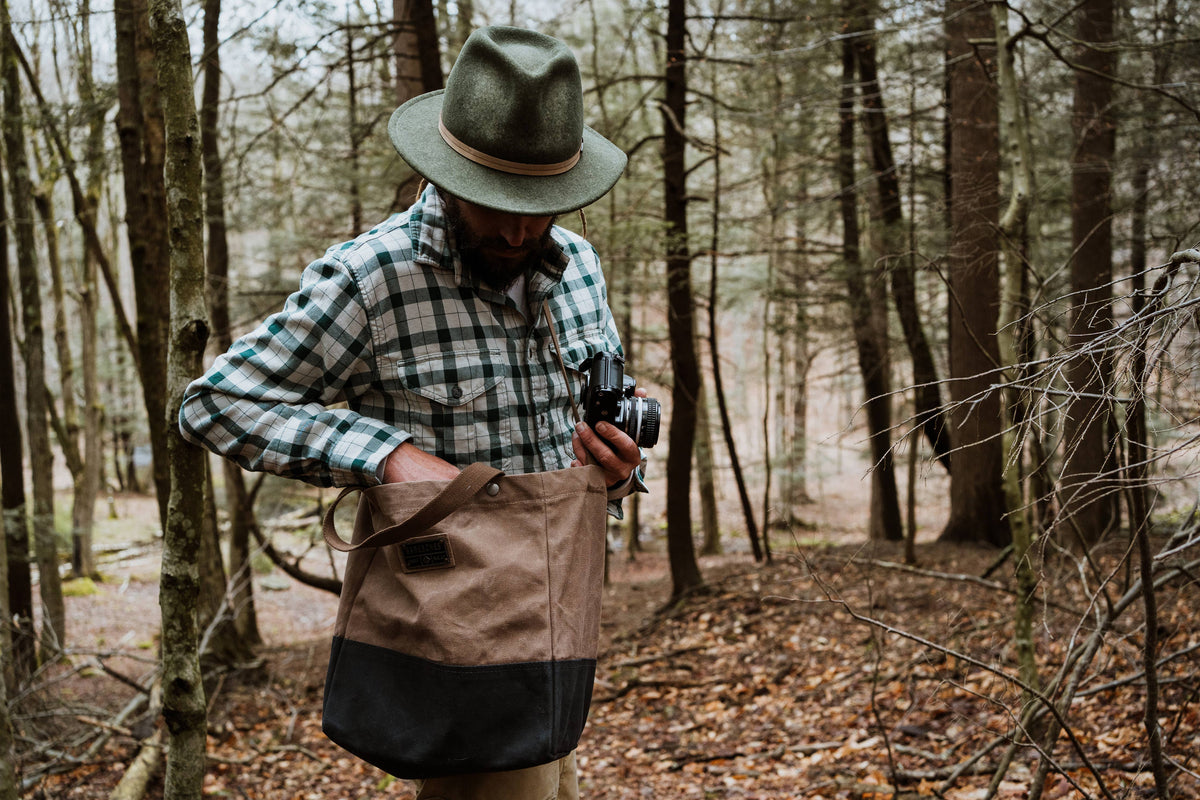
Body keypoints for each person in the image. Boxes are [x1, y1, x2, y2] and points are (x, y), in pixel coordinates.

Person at [179, 24, 646, 800]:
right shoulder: (373, 278)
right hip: (454, 635)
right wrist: (387, 455)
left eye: (542, 205)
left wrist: (617, 465)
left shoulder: (580, 269)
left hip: (561, 632)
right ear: (447, 168)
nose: (518, 229)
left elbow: (598, 420)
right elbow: (216, 402)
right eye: (497, 202)